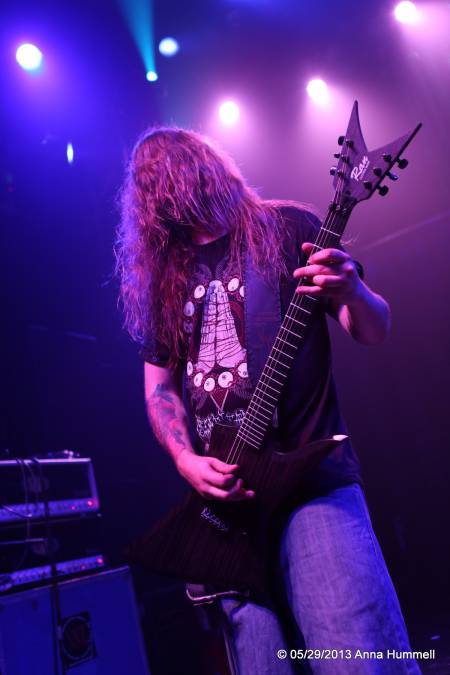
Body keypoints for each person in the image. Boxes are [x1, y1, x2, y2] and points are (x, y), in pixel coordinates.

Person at [116, 127, 420, 674]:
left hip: (312, 487)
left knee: (356, 656)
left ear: (208, 168)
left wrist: (353, 289)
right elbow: (159, 387)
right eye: (155, 186)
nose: (170, 192)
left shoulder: (287, 228)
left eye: (176, 175)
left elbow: (373, 328)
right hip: (229, 509)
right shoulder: (165, 276)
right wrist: (185, 460)